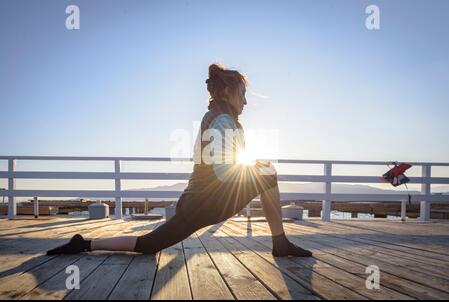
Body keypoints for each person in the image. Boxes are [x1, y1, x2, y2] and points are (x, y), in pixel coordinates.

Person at [47, 63, 312, 257]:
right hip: (206, 203)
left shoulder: (217, 117)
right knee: (267, 171)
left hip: (194, 204)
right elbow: (223, 171)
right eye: (243, 94)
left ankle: (84, 244)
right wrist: (255, 169)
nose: (245, 102)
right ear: (228, 91)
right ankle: (280, 243)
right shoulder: (223, 120)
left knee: (148, 245)